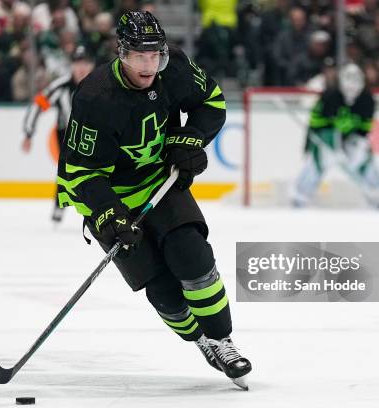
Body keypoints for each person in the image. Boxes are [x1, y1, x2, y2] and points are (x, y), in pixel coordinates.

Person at [56, 11, 252, 389]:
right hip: (107, 194)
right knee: (162, 288)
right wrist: (109, 215)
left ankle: (222, 340)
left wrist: (191, 137)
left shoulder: (173, 66)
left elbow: (210, 100)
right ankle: (200, 342)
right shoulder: (95, 96)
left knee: (191, 255)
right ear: (121, 54)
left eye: (155, 56)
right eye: (139, 57)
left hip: (160, 182)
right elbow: (80, 173)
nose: (149, 66)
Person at [290, 64, 379, 209]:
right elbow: (316, 123)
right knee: (320, 161)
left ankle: (378, 195)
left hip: (352, 137)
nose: (351, 90)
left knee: (364, 160)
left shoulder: (367, 100)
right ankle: (300, 196)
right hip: (327, 135)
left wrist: (358, 147)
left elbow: (365, 129)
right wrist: (332, 145)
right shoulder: (329, 96)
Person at [22, 46, 95, 223]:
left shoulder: (101, 85)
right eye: (78, 63)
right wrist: (29, 133)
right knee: (68, 169)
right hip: (67, 136)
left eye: (85, 63)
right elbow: (39, 104)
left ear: (92, 65)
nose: (81, 68)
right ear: (71, 66)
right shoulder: (61, 86)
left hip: (95, 134)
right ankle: (59, 204)